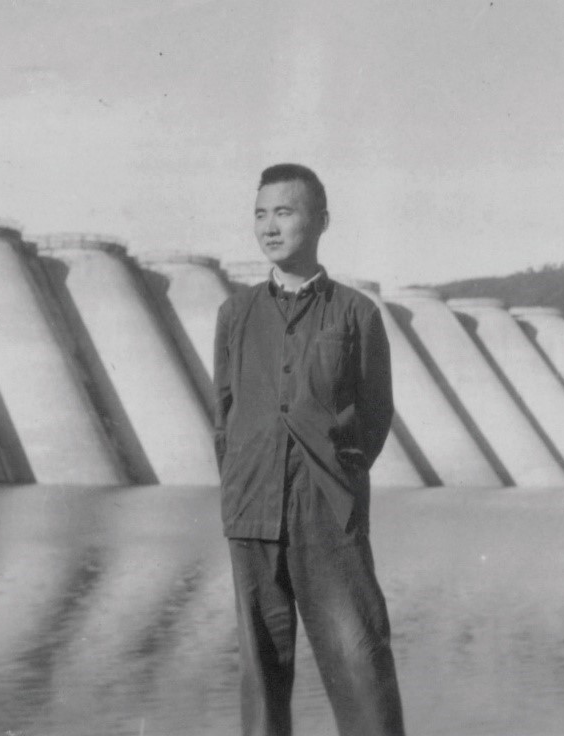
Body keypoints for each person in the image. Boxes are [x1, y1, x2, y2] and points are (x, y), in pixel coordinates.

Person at [213, 163, 406, 736]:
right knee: (261, 673)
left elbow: (375, 415)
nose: (269, 227)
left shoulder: (356, 313)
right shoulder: (235, 314)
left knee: (359, 659)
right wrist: (243, 478)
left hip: (328, 512)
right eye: (260, 214)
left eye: (284, 212)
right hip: (251, 510)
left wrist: (338, 477)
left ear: (321, 220)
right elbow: (224, 413)